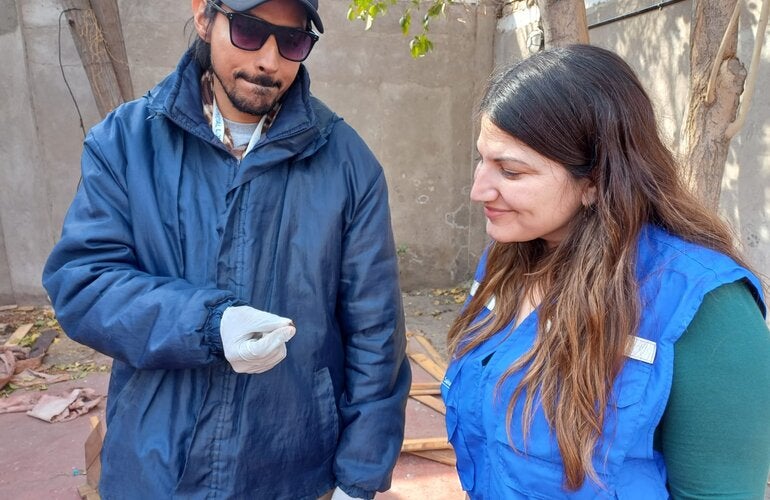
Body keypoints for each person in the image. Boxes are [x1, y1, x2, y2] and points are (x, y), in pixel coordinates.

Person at [42, 0, 410, 498]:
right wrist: (208, 323)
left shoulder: (347, 163)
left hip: (291, 469)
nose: (269, 60)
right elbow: (83, 284)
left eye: (293, 41)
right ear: (204, 17)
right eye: (249, 31)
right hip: (157, 465)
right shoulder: (124, 143)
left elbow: (376, 331)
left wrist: (359, 478)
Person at [442, 44, 770, 499]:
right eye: (482, 160)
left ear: (595, 180)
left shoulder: (706, 307)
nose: (479, 190)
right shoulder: (505, 262)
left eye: (511, 171)